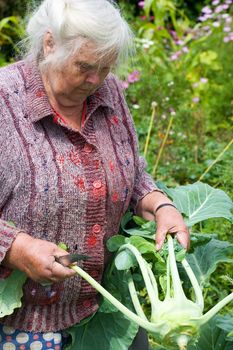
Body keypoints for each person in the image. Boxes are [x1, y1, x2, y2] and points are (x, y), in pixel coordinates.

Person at [0, 0, 189, 348]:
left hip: (113, 313)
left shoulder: (108, 91)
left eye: (106, 67)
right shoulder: (4, 101)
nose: (96, 79)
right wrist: (17, 248)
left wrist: (160, 204)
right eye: (85, 66)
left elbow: (133, 175)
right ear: (49, 44)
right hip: (26, 326)